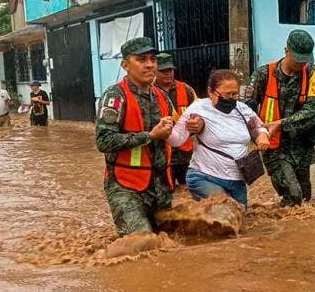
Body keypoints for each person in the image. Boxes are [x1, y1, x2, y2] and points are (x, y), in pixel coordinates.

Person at [95, 37, 204, 237]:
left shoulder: (161, 96)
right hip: (125, 187)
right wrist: (150, 136)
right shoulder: (115, 96)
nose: (149, 65)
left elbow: (177, 134)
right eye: (141, 59)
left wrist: (195, 126)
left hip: (161, 188)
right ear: (125, 65)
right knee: (142, 242)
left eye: (153, 59)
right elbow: (104, 141)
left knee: (174, 241)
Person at [244, 29, 315, 207]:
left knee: (305, 197)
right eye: (298, 58)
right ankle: (276, 232)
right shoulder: (262, 75)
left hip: (302, 145)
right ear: (286, 50)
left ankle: (292, 229)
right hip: (274, 146)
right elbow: (246, 110)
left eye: (305, 59)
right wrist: (259, 134)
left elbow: (314, 109)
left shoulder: (313, 73)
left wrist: (280, 124)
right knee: (294, 195)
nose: (301, 63)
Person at [169, 69, 269, 206]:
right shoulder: (199, 108)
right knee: (225, 208)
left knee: (240, 218)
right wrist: (166, 128)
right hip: (205, 177)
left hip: (237, 180)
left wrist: (263, 136)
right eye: (227, 95)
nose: (232, 98)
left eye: (235, 94)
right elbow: (176, 140)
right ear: (210, 92)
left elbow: (259, 126)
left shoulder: (242, 109)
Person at [154, 53, 199, 187]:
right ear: (155, 71)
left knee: (191, 190)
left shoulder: (186, 89)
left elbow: (199, 112)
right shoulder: (149, 92)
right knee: (167, 192)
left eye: (170, 70)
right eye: (163, 71)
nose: (168, 74)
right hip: (162, 154)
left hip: (186, 154)